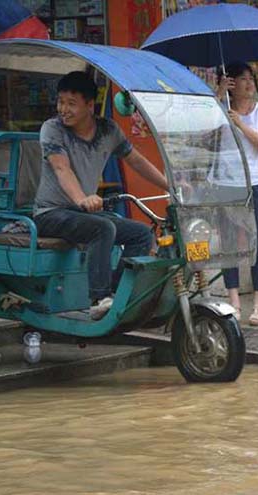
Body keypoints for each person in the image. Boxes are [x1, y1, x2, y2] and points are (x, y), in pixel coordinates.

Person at [34, 71, 168, 320]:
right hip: (51, 213)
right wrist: (81, 199)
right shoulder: (52, 129)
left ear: (89, 105)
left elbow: (136, 161)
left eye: (71, 103)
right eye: (61, 101)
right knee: (103, 227)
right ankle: (98, 298)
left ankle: (117, 298)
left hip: (81, 213)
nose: (63, 109)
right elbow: (62, 168)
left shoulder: (108, 130)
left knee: (140, 233)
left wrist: (169, 185)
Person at [215, 62, 258, 325]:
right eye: (241, 79)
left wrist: (240, 124)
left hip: (257, 182)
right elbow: (204, 134)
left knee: (257, 242)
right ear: (230, 83)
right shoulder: (220, 110)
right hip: (226, 182)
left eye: (251, 78)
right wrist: (218, 97)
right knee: (229, 244)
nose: (249, 83)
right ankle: (234, 301)